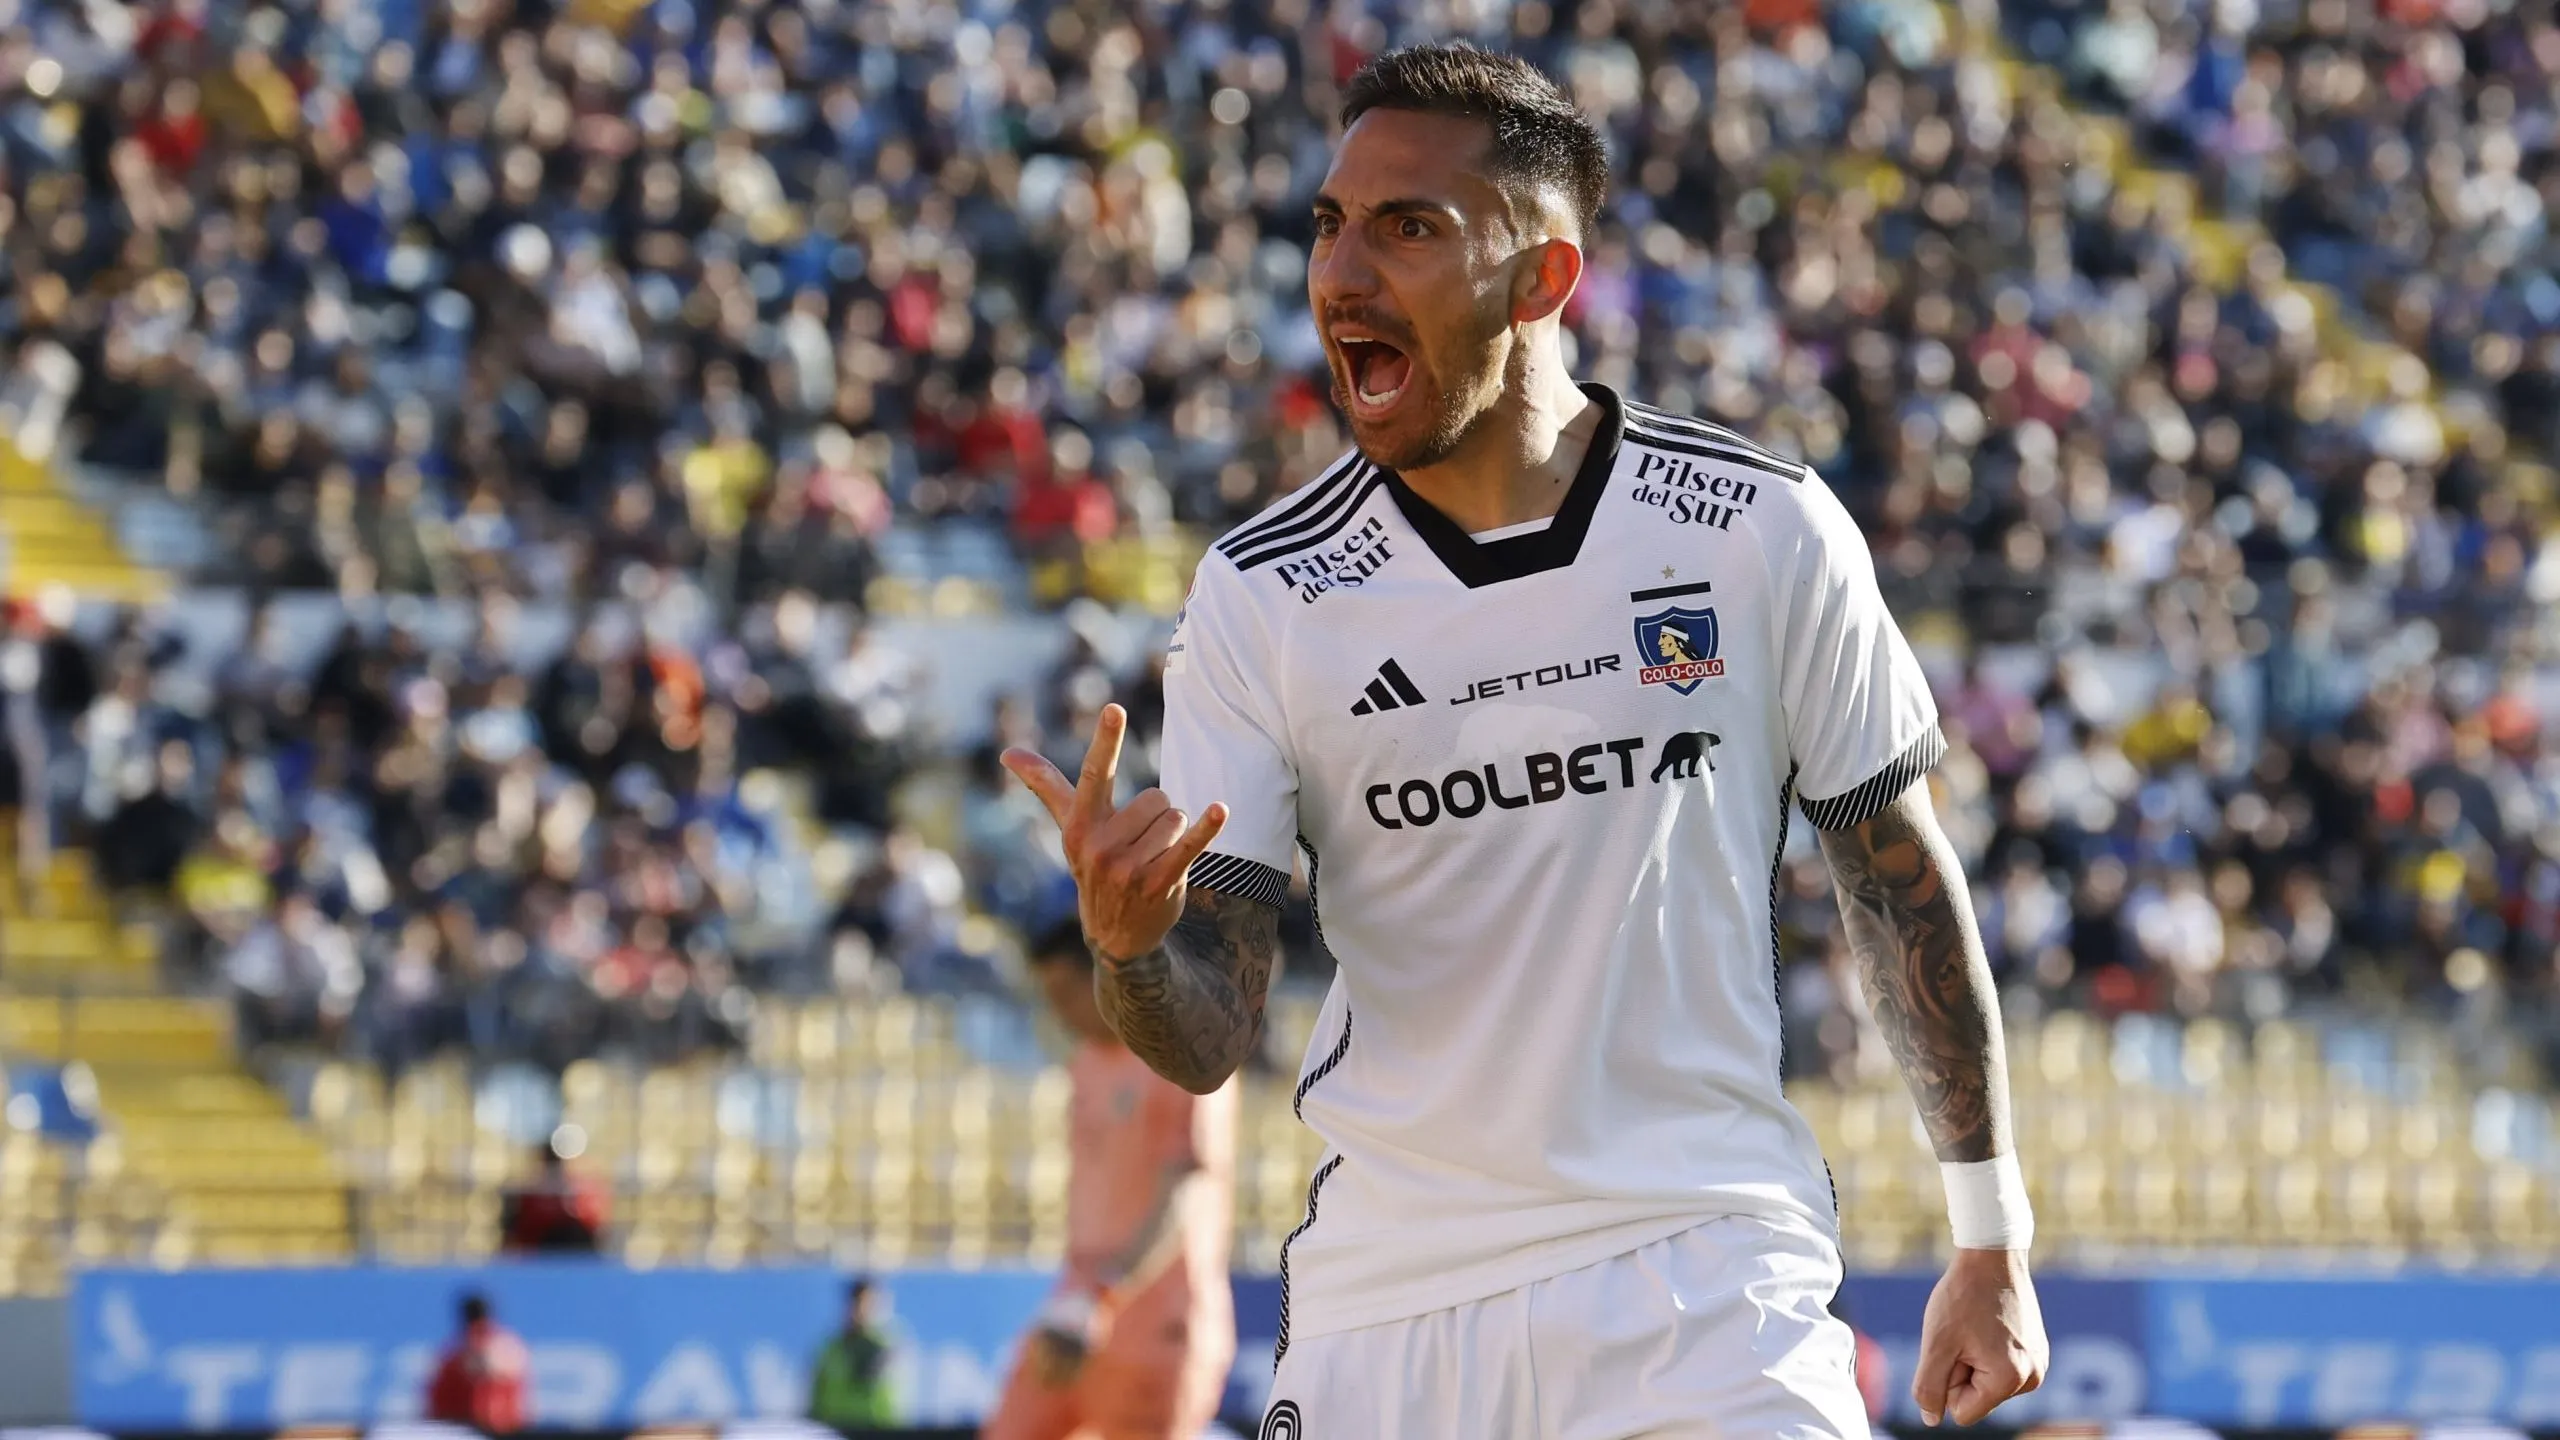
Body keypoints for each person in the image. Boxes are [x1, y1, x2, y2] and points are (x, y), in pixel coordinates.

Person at [1002, 43, 2048, 1437]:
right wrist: (1132, 947)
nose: (1340, 274)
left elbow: (1898, 878)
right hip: (1396, 1313)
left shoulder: (1756, 528)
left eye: (1409, 227)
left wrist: (1992, 1237)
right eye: (1329, 224)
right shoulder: (1265, 592)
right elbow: (1205, 1039)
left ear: (1544, 280)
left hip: (1709, 1279)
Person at [983, 922, 1238, 1440]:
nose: (1056, 1011)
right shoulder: (1085, 1065)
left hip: (1156, 1326)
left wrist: (1101, 1293)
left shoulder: (1183, 1055)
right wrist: (1078, 1299)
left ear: (1106, 976)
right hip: (1076, 1313)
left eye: (1063, 993)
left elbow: (1184, 1191)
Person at [425, 1293, 528, 1434]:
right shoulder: (456, 1349)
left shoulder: (499, 1343)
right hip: (463, 1426)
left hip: (493, 1427)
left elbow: (490, 1366)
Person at [807, 1278, 898, 1431]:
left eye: (867, 1304)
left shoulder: (883, 1348)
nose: (860, 1310)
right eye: (857, 1303)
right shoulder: (830, 1348)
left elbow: (889, 1403)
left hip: (871, 1431)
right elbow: (817, 1395)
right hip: (833, 1431)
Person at [499, 1137, 609, 1254]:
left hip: (573, 1250)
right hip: (536, 1253)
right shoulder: (527, 1192)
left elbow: (594, 1225)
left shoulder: (580, 1191)